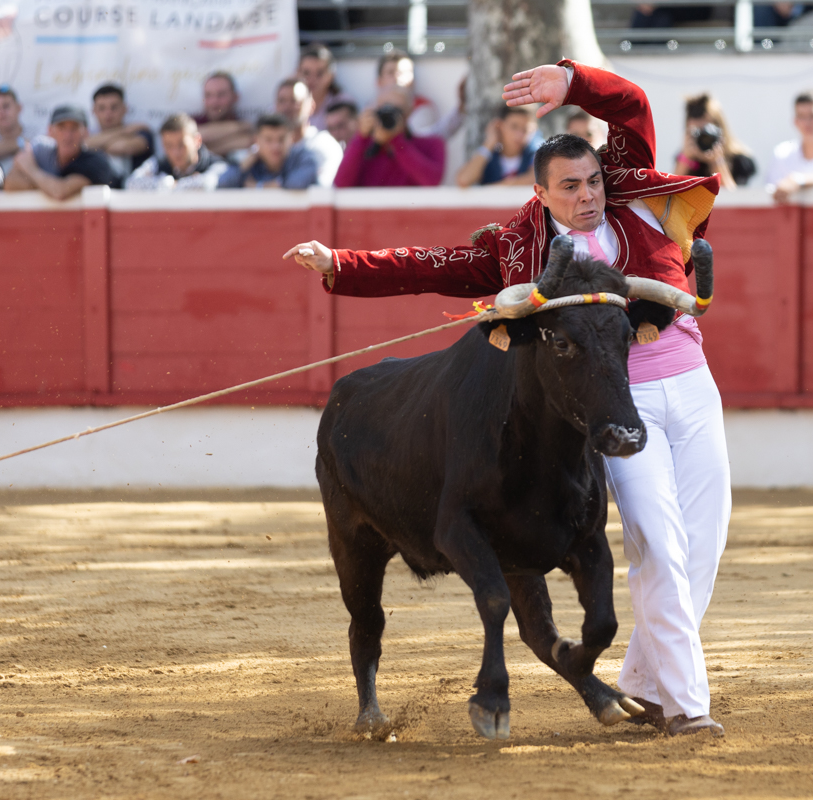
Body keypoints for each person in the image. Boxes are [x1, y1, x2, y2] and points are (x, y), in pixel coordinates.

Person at [286, 60, 729, 738]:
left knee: (702, 546)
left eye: (593, 182)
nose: (588, 196)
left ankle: (645, 679)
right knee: (660, 548)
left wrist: (572, 84)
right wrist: (343, 265)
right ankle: (687, 706)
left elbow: (633, 105)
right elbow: (429, 266)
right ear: (542, 192)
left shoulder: (629, 194)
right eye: (571, 187)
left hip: (691, 380)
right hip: (615, 393)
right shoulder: (520, 246)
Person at [333, 88, 445, 188]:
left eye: (397, 111)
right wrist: (361, 137)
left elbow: (432, 181)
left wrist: (397, 141)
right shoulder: (364, 147)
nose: (389, 115)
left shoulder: (432, 144)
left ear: (409, 113)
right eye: (384, 110)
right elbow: (341, 184)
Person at [5, 105, 118, 200]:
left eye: (74, 128)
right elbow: (10, 183)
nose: (67, 135)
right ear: (50, 131)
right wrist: (46, 185)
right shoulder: (43, 151)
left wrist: (30, 169)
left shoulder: (95, 161)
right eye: (61, 127)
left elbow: (59, 192)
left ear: (86, 132)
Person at [126, 114, 230, 192]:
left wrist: (169, 186)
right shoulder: (158, 163)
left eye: (182, 145)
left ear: (197, 141)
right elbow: (131, 183)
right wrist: (167, 183)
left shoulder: (218, 165)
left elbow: (207, 184)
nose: (175, 152)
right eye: (169, 146)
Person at [674, 93, 756, 189]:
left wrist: (717, 162)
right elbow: (670, 194)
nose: (703, 139)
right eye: (696, 132)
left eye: (706, 133)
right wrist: (685, 159)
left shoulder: (740, 161)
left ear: (720, 130)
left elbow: (734, 199)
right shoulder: (684, 159)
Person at [275, 77, 343, 187]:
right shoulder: (264, 147)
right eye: (281, 101)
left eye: (294, 101)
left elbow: (322, 188)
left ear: (311, 105)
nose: (287, 107)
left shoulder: (325, 145)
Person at [222, 115, 319, 189]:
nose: (275, 146)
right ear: (256, 140)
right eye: (268, 140)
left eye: (281, 139)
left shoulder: (304, 157)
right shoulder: (249, 161)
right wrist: (242, 167)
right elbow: (223, 184)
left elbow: (296, 184)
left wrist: (258, 187)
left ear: (291, 139)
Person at [86, 84, 154, 187]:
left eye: (114, 107)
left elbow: (123, 148)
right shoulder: (130, 130)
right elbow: (84, 144)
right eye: (102, 108)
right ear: (94, 111)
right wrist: (124, 130)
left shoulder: (140, 133)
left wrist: (98, 145)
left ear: (125, 109)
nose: (108, 113)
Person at [455, 105, 539, 187]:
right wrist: (489, 143)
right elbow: (463, 180)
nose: (519, 135)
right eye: (514, 127)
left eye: (525, 129)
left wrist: (489, 191)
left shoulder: (535, 152)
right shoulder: (489, 156)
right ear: (500, 126)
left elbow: (536, 179)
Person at [193, 72, 256, 159]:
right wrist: (240, 127)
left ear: (235, 97)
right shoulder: (192, 121)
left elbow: (249, 141)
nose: (214, 102)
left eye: (221, 95)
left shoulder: (243, 126)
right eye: (208, 95)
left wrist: (206, 148)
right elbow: (195, 135)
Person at [298, 44, 355, 132]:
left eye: (320, 73)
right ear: (297, 73)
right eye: (306, 73)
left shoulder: (344, 102)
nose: (312, 79)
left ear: (331, 75)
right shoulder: (287, 104)